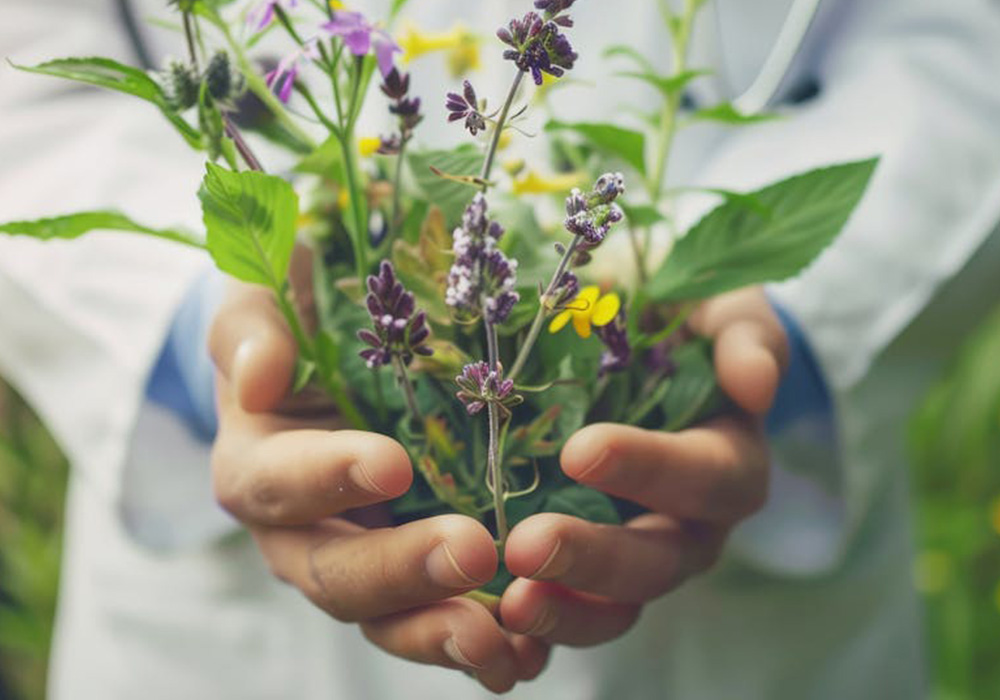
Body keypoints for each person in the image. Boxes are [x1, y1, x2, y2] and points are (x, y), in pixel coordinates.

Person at [2, 0, 1000, 697]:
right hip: (229, 644)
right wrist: (215, 334)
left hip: (739, 634)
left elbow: (965, 43)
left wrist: (780, 321)